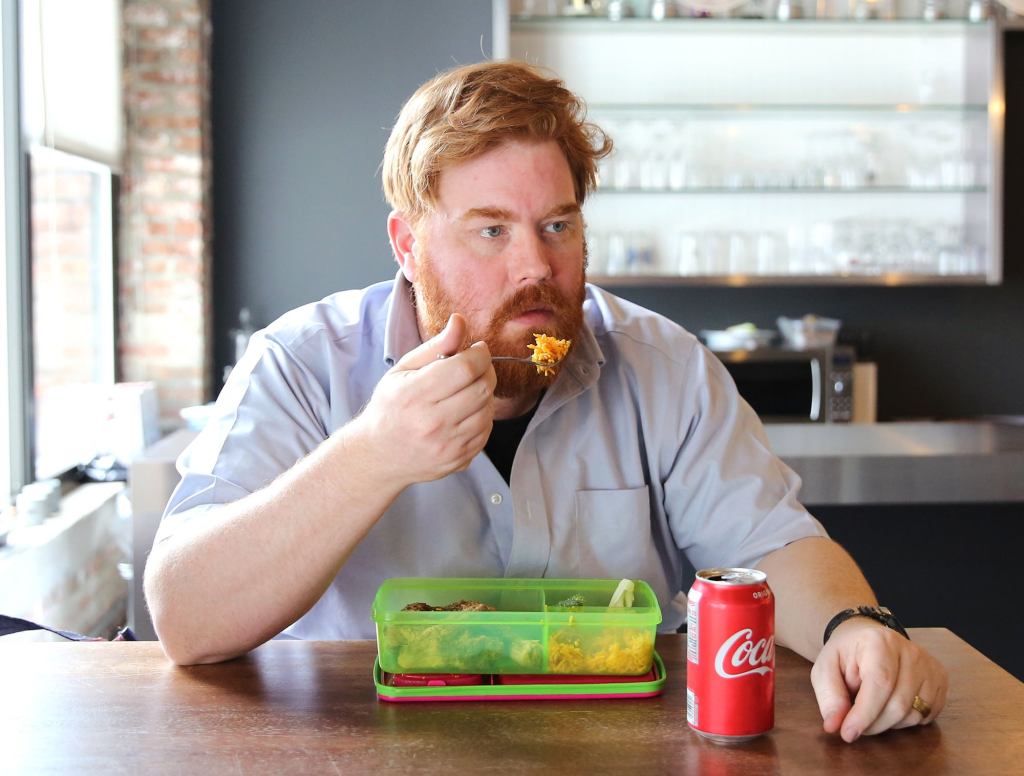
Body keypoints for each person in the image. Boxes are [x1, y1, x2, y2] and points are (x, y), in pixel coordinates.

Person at [145, 60, 947, 742]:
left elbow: (772, 545)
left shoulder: (662, 366)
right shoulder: (303, 362)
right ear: (407, 244)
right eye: (490, 231)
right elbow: (185, 617)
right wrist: (371, 457)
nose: (535, 266)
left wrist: (856, 629)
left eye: (557, 225)